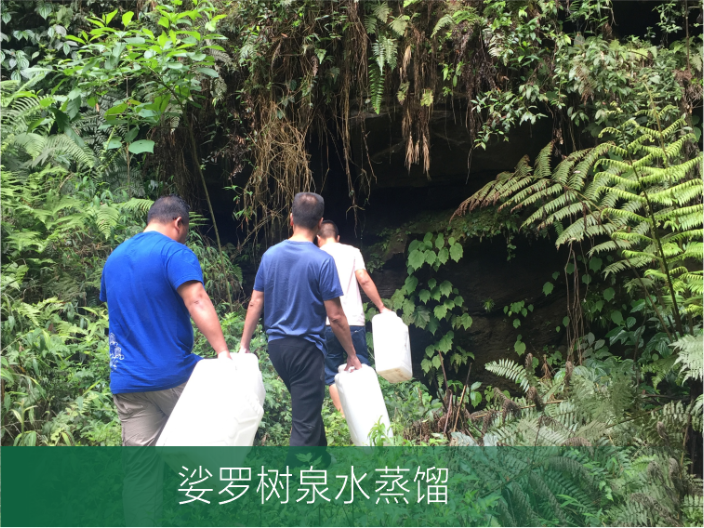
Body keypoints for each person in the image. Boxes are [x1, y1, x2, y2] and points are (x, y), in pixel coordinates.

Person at [100, 194, 231, 525]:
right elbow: (197, 299)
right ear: (178, 223)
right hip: (173, 377)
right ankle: (227, 507)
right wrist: (223, 353)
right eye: (185, 230)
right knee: (219, 436)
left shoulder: (114, 259)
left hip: (128, 382)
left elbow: (119, 311)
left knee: (140, 471)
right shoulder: (174, 252)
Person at [238, 192, 362, 447]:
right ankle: (294, 482)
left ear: (291, 219)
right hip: (305, 349)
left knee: (308, 405)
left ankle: (321, 464)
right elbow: (336, 316)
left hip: (277, 348)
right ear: (320, 223)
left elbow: (255, 302)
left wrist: (244, 345)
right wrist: (351, 353)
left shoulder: (270, 255)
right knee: (304, 423)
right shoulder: (322, 261)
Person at [317, 220, 391, 413]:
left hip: (326, 323)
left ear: (318, 238)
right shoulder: (352, 252)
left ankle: (343, 418)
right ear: (338, 237)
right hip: (353, 322)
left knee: (332, 374)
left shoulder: (315, 256)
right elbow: (364, 279)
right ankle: (368, 416)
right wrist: (381, 307)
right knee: (361, 369)